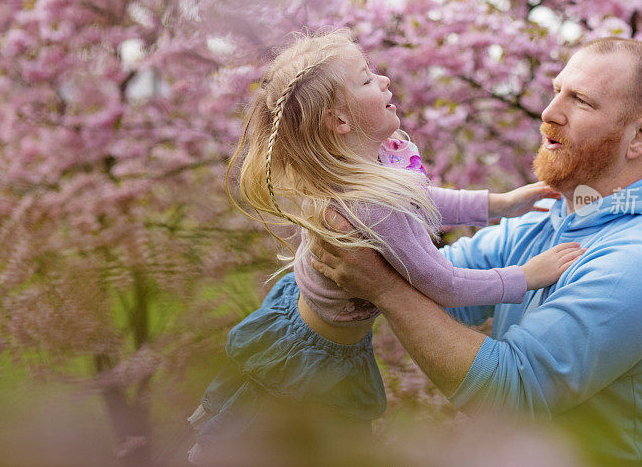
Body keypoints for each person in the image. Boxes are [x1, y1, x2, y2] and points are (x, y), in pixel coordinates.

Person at [186, 30, 585, 462]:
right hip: (311, 355)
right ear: (339, 121)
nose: (384, 81)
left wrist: (499, 205)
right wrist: (527, 276)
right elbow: (445, 285)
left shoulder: (372, 162)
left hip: (306, 321)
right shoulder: (370, 205)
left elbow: (420, 200)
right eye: (365, 80)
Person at [311, 37, 642, 466]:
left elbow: (513, 390)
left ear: (640, 136)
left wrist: (384, 290)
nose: (550, 113)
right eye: (557, 90)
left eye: (581, 101)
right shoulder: (549, 218)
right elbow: (433, 281)